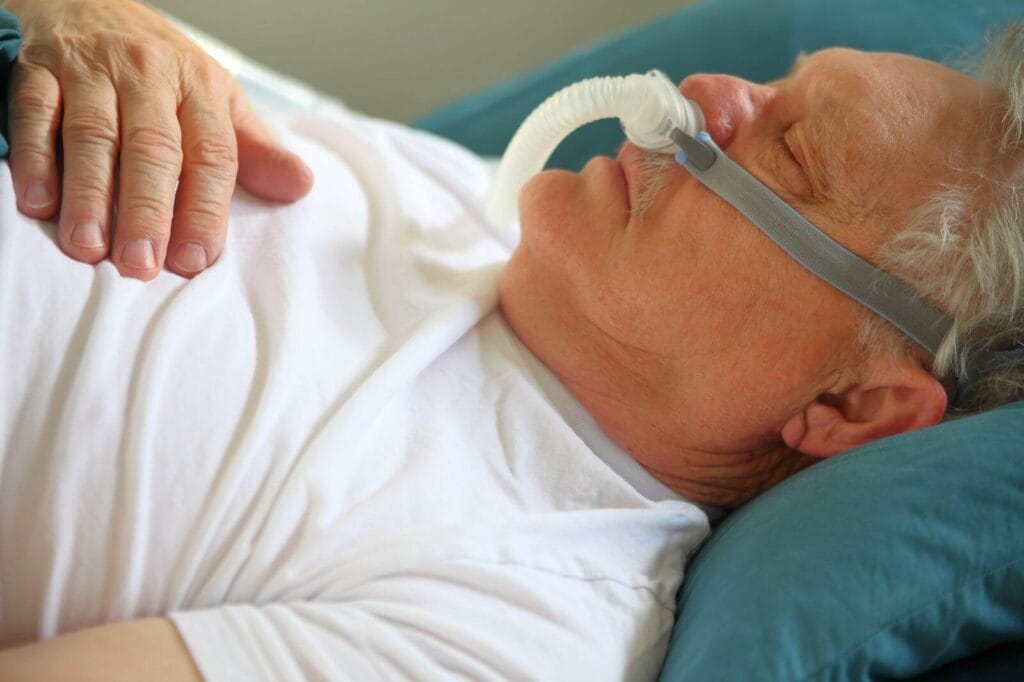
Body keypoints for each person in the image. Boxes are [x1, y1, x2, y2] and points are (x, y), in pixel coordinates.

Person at [0, 0, 1021, 679]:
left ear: (853, 405)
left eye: (791, 146)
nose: (710, 94)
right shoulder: (465, 193)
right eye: (775, 86)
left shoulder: (521, 618)